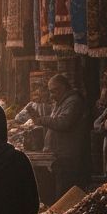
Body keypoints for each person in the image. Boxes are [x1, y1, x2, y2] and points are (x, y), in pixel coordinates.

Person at [33, 73, 89, 201]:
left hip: (67, 156)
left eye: (54, 91)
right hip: (58, 156)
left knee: (64, 195)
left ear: (63, 87)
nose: (52, 95)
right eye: (50, 92)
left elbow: (63, 123)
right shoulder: (61, 102)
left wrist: (42, 120)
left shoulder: (74, 101)